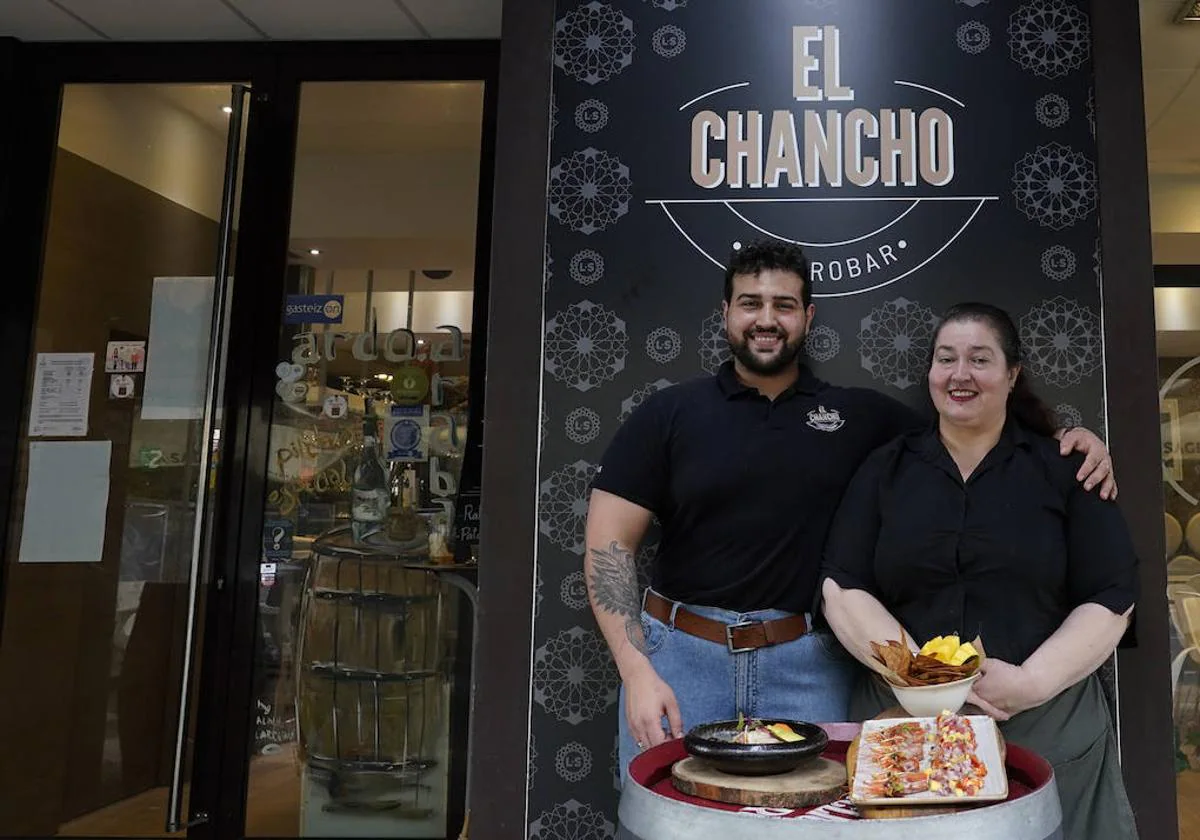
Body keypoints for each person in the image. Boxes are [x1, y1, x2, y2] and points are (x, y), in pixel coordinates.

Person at [585, 241, 1116, 780]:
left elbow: (972, 428)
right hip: (678, 662)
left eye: (784, 305)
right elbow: (608, 548)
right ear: (725, 313)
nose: (766, 320)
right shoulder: (666, 414)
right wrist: (636, 672)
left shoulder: (862, 418)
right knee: (674, 825)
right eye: (750, 303)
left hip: (809, 668)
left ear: (807, 317)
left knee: (814, 823)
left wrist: (1068, 443)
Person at [819, 302, 1137, 839]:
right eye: (946, 359)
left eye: (979, 359)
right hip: (905, 724)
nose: (960, 374)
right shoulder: (885, 468)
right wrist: (925, 678)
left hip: (1046, 725)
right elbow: (841, 584)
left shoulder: (1067, 468)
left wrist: (1031, 682)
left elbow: (1113, 595)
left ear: (1012, 375)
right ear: (930, 373)